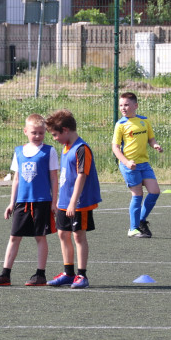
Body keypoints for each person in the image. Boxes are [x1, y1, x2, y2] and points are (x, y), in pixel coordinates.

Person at [0, 114, 59, 287]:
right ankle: (5, 274)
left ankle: (40, 274)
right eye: (34, 132)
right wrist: (12, 202)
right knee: (14, 237)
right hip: (22, 202)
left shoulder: (49, 151)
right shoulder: (19, 151)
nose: (37, 136)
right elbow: (17, 179)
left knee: (40, 237)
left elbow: (54, 178)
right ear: (25, 131)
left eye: (41, 133)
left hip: (41, 201)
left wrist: (54, 202)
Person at [45, 109, 101, 289]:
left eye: (55, 134)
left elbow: (81, 176)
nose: (54, 138)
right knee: (62, 234)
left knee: (78, 236)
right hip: (64, 201)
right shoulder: (66, 147)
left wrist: (72, 201)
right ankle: (68, 273)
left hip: (79, 202)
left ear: (66, 130)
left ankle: (82, 275)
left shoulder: (82, 149)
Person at [112, 91, 163, 238]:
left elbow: (151, 139)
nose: (123, 108)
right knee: (137, 195)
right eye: (121, 105)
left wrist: (155, 145)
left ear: (135, 106)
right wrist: (127, 162)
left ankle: (141, 220)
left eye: (126, 105)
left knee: (154, 192)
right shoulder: (120, 124)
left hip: (144, 164)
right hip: (129, 165)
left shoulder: (144, 121)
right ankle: (133, 228)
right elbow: (115, 147)